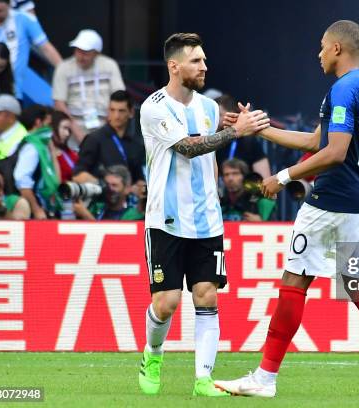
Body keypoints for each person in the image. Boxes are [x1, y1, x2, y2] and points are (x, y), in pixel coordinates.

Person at [217, 20, 359, 399]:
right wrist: (261, 128)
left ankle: (264, 378)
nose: (319, 53)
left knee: (294, 281)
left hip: (331, 203)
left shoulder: (343, 89)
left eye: (323, 46)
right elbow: (316, 141)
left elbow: (335, 153)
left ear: (338, 48)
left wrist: (284, 175)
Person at [137, 32, 268, 397]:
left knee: (207, 295)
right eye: (196, 61)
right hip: (166, 218)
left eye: (205, 60)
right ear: (174, 66)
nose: (204, 66)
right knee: (166, 303)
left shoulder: (210, 108)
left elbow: (209, 159)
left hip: (207, 221)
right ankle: (153, 353)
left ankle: (204, 379)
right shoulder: (154, 106)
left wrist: (235, 128)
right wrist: (234, 132)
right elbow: (188, 147)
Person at [0, 0, 61, 100]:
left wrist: (65, 71)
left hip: (13, 92)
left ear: (9, 5)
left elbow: (46, 48)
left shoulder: (25, 20)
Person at [52, 29, 125, 142]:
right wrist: (74, 128)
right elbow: (59, 103)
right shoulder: (63, 68)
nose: (80, 56)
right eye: (77, 50)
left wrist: (110, 123)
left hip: (106, 124)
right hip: (73, 127)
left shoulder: (109, 65)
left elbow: (119, 97)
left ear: (96, 53)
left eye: (85, 52)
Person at [72, 90, 144, 188]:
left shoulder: (135, 144)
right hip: (101, 200)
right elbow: (77, 175)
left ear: (131, 113)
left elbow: (139, 180)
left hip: (128, 201)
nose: (116, 116)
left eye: (121, 111)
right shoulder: (94, 139)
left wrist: (141, 189)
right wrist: (105, 185)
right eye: (112, 110)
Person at [13, 104, 61, 219]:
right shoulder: (31, 147)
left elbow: (56, 182)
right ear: (38, 122)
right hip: (31, 213)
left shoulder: (41, 147)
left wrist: (52, 152)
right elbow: (21, 179)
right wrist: (36, 209)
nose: (51, 130)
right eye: (49, 124)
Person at [215, 93, 271, 178]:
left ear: (232, 113)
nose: (215, 119)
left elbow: (264, 178)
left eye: (219, 115)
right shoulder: (214, 143)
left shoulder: (249, 142)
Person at [73, 164, 144, 221]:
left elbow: (116, 237)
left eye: (114, 185)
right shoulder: (96, 208)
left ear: (127, 189)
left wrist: (86, 216)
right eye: (107, 184)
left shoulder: (134, 216)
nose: (110, 189)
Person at [49, 110, 77, 183]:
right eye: (64, 128)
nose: (67, 134)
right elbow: (55, 183)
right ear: (52, 128)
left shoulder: (70, 153)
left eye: (69, 130)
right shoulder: (44, 154)